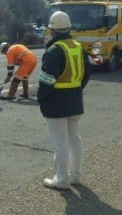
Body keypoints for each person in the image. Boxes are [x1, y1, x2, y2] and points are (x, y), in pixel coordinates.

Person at [37, 11, 90, 191]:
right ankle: (75, 175)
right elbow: (86, 75)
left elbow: (46, 81)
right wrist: (76, 89)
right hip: (75, 100)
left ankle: (61, 179)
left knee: (60, 142)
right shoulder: (78, 47)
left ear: (53, 31)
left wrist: (42, 99)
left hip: (57, 103)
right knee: (75, 140)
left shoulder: (54, 51)